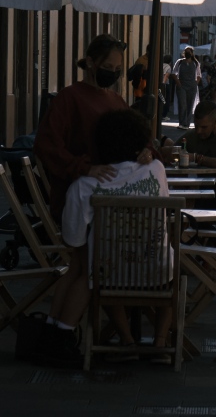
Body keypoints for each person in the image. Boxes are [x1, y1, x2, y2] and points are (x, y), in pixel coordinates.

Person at [24, 108, 169, 368]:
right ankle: (160, 344)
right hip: (156, 271)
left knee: (93, 267)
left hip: (109, 276)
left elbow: (74, 239)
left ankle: (124, 341)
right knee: (173, 268)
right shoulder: (156, 169)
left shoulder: (85, 185)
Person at [34, 35, 146, 220]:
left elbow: (137, 136)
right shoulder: (68, 98)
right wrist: (83, 168)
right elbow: (46, 144)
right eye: (108, 67)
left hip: (117, 197)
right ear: (90, 62)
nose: (112, 73)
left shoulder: (116, 100)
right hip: (81, 201)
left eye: (117, 69)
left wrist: (146, 150)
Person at [162, 103, 216, 226]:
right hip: (208, 191)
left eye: (204, 127)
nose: (199, 131)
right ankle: (211, 240)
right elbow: (172, 151)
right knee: (179, 209)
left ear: (215, 123)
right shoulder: (192, 136)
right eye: (196, 126)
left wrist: (198, 158)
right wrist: (167, 150)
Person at [171, 47, 199, 129]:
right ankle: (182, 122)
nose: (187, 53)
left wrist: (195, 83)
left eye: (189, 52)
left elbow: (199, 75)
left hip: (192, 86)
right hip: (182, 85)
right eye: (186, 51)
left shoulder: (195, 63)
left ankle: (187, 123)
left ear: (192, 53)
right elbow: (173, 73)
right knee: (182, 104)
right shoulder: (179, 62)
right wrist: (178, 82)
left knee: (190, 104)